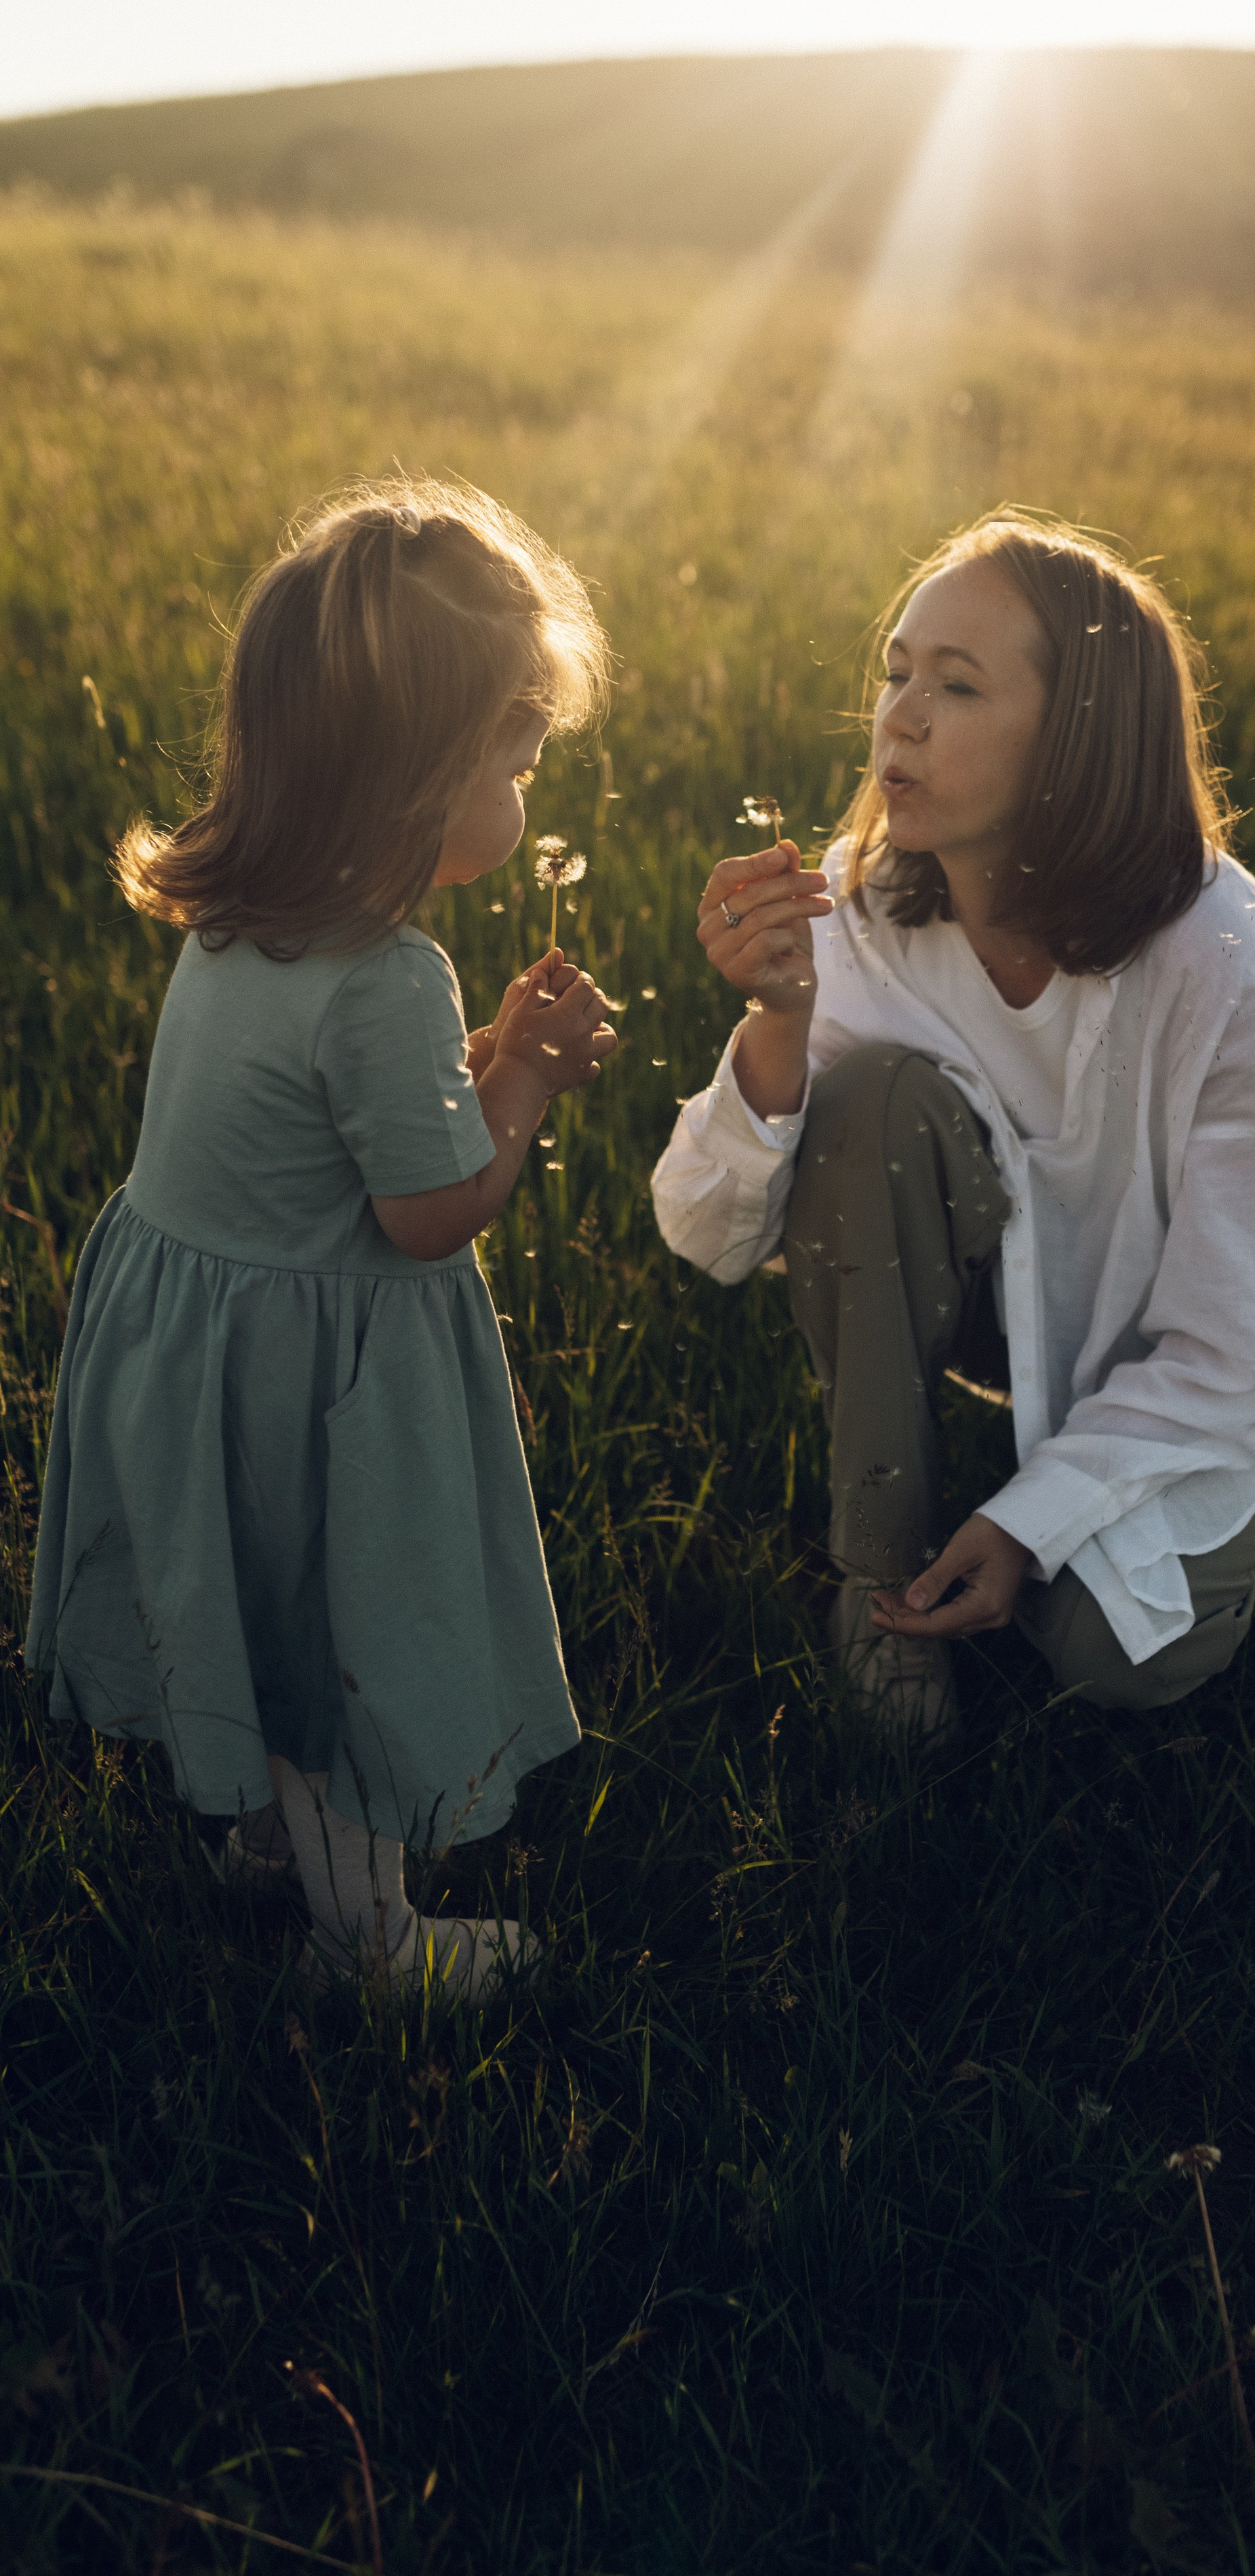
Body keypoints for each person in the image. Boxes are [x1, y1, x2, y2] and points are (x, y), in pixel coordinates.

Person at [27, 477, 620, 1998]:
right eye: (519, 763)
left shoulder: (245, 919)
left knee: (259, 1616)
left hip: (201, 1348)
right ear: (423, 778)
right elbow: (426, 1214)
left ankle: (265, 1830)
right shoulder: (382, 974)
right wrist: (533, 1082)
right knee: (339, 1628)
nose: (527, 799)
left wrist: (477, 1060)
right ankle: (368, 1942)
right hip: (317, 1382)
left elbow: (351, 1136)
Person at [652, 511, 1255, 1734]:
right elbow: (706, 1233)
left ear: (1077, 741)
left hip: (1175, 1370)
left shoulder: (1219, 961)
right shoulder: (866, 910)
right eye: (896, 673)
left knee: (1114, 1660)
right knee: (866, 1103)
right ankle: (881, 1566)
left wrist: (1033, 1523)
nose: (901, 717)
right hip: (988, 1317)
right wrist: (776, 1020)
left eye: (958, 686)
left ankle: (1069, 1511)